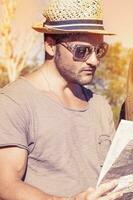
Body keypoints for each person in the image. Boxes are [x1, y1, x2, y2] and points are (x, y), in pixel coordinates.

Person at [0, 0, 122, 199]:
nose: (94, 60)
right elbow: (6, 185)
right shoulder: (14, 102)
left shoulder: (100, 106)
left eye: (99, 50)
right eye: (82, 51)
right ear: (50, 45)